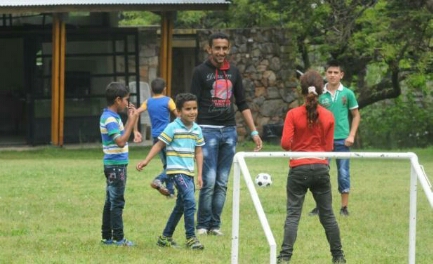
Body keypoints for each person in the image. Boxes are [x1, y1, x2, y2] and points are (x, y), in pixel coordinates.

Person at [190, 32, 263, 236]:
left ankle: (215, 224)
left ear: (228, 49)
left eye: (224, 48)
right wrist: (190, 132)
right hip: (206, 130)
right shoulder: (199, 72)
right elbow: (191, 104)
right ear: (209, 49)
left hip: (229, 132)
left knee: (222, 181)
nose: (221, 52)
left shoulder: (234, 72)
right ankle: (202, 224)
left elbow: (242, 104)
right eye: (217, 48)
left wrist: (254, 131)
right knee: (209, 179)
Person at [277, 70, 346, 264]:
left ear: (301, 91)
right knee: (328, 215)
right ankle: (338, 256)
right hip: (320, 168)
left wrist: (298, 145)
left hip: (298, 168)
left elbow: (284, 143)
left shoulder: (292, 114)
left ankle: (284, 257)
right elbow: (328, 147)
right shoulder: (329, 116)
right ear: (322, 90)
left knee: (293, 215)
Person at [136, 93, 205, 250]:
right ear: (179, 112)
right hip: (176, 171)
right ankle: (191, 238)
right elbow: (159, 145)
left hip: (189, 173)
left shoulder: (197, 130)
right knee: (190, 201)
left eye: (195, 108)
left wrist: (200, 174)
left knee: (181, 205)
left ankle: (165, 237)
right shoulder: (172, 127)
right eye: (188, 109)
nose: (192, 112)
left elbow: (199, 152)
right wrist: (146, 161)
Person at [309, 60, 361, 217]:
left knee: (343, 173)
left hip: (342, 140)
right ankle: (320, 206)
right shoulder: (319, 93)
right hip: (323, 141)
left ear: (341, 75)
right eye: (330, 72)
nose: (332, 75)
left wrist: (351, 135)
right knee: (320, 173)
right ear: (326, 74)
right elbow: (311, 115)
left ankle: (344, 208)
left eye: (336, 73)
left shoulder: (348, 94)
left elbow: (356, 115)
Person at [99, 82, 138, 246]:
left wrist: (131, 121)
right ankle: (118, 238)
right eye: (126, 100)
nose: (127, 103)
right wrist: (131, 120)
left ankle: (107, 237)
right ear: (117, 100)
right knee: (117, 202)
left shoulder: (111, 116)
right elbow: (121, 141)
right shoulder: (110, 119)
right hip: (116, 165)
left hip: (114, 164)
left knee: (110, 201)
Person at [133, 77, 177, 198]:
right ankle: (158, 180)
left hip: (156, 137)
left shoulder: (148, 101)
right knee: (173, 165)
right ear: (164, 89)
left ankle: (170, 192)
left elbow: (136, 112)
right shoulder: (168, 100)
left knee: (166, 164)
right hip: (168, 136)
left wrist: (135, 130)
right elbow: (178, 114)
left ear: (152, 90)